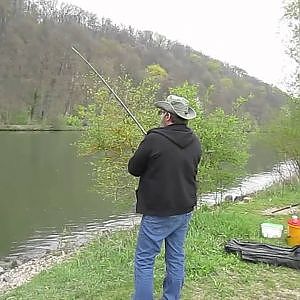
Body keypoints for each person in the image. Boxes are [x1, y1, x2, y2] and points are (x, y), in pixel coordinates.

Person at [128, 95, 202, 300]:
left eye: (162, 113)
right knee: (176, 256)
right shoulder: (195, 141)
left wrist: (147, 145)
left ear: (168, 116)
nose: (161, 116)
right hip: (184, 208)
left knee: (144, 259)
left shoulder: (154, 138)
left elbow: (134, 168)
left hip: (158, 211)